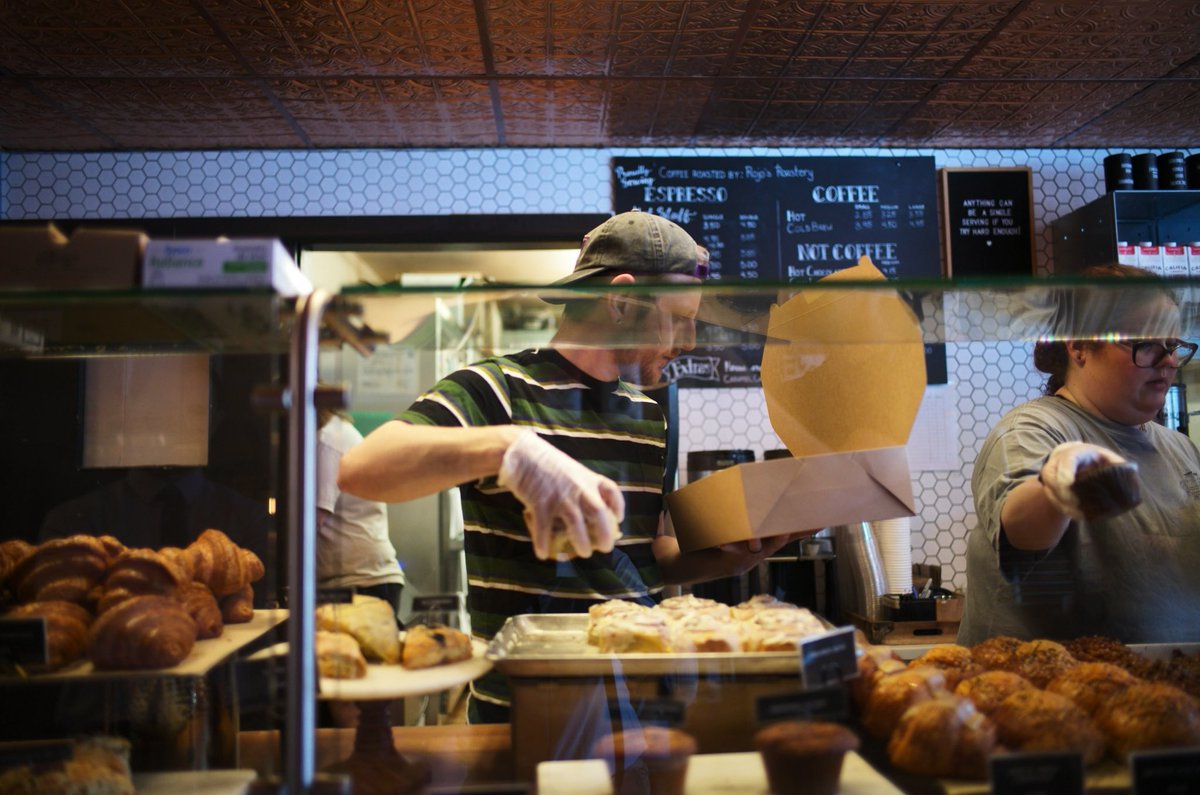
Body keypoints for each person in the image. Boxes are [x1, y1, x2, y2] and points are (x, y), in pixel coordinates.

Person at [339, 210, 800, 722]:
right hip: (527, 709)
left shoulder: (648, 415)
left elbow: (646, 558)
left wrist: (729, 560)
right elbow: (362, 468)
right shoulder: (496, 389)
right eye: (680, 317)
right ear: (622, 299)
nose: (689, 341)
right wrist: (510, 449)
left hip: (640, 706)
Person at [959, 263, 1200, 645]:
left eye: (1173, 346)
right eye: (1146, 344)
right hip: (1043, 691)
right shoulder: (1033, 430)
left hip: (1163, 687)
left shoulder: (1180, 447)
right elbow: (1021, 533)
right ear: (1079, 346)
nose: (1168, 361)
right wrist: (1057, 485)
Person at [316, 406, 406, 621]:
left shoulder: (328, 439)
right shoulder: (334, 431)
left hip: (361, 581)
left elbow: (311, 521)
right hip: (363, 578)